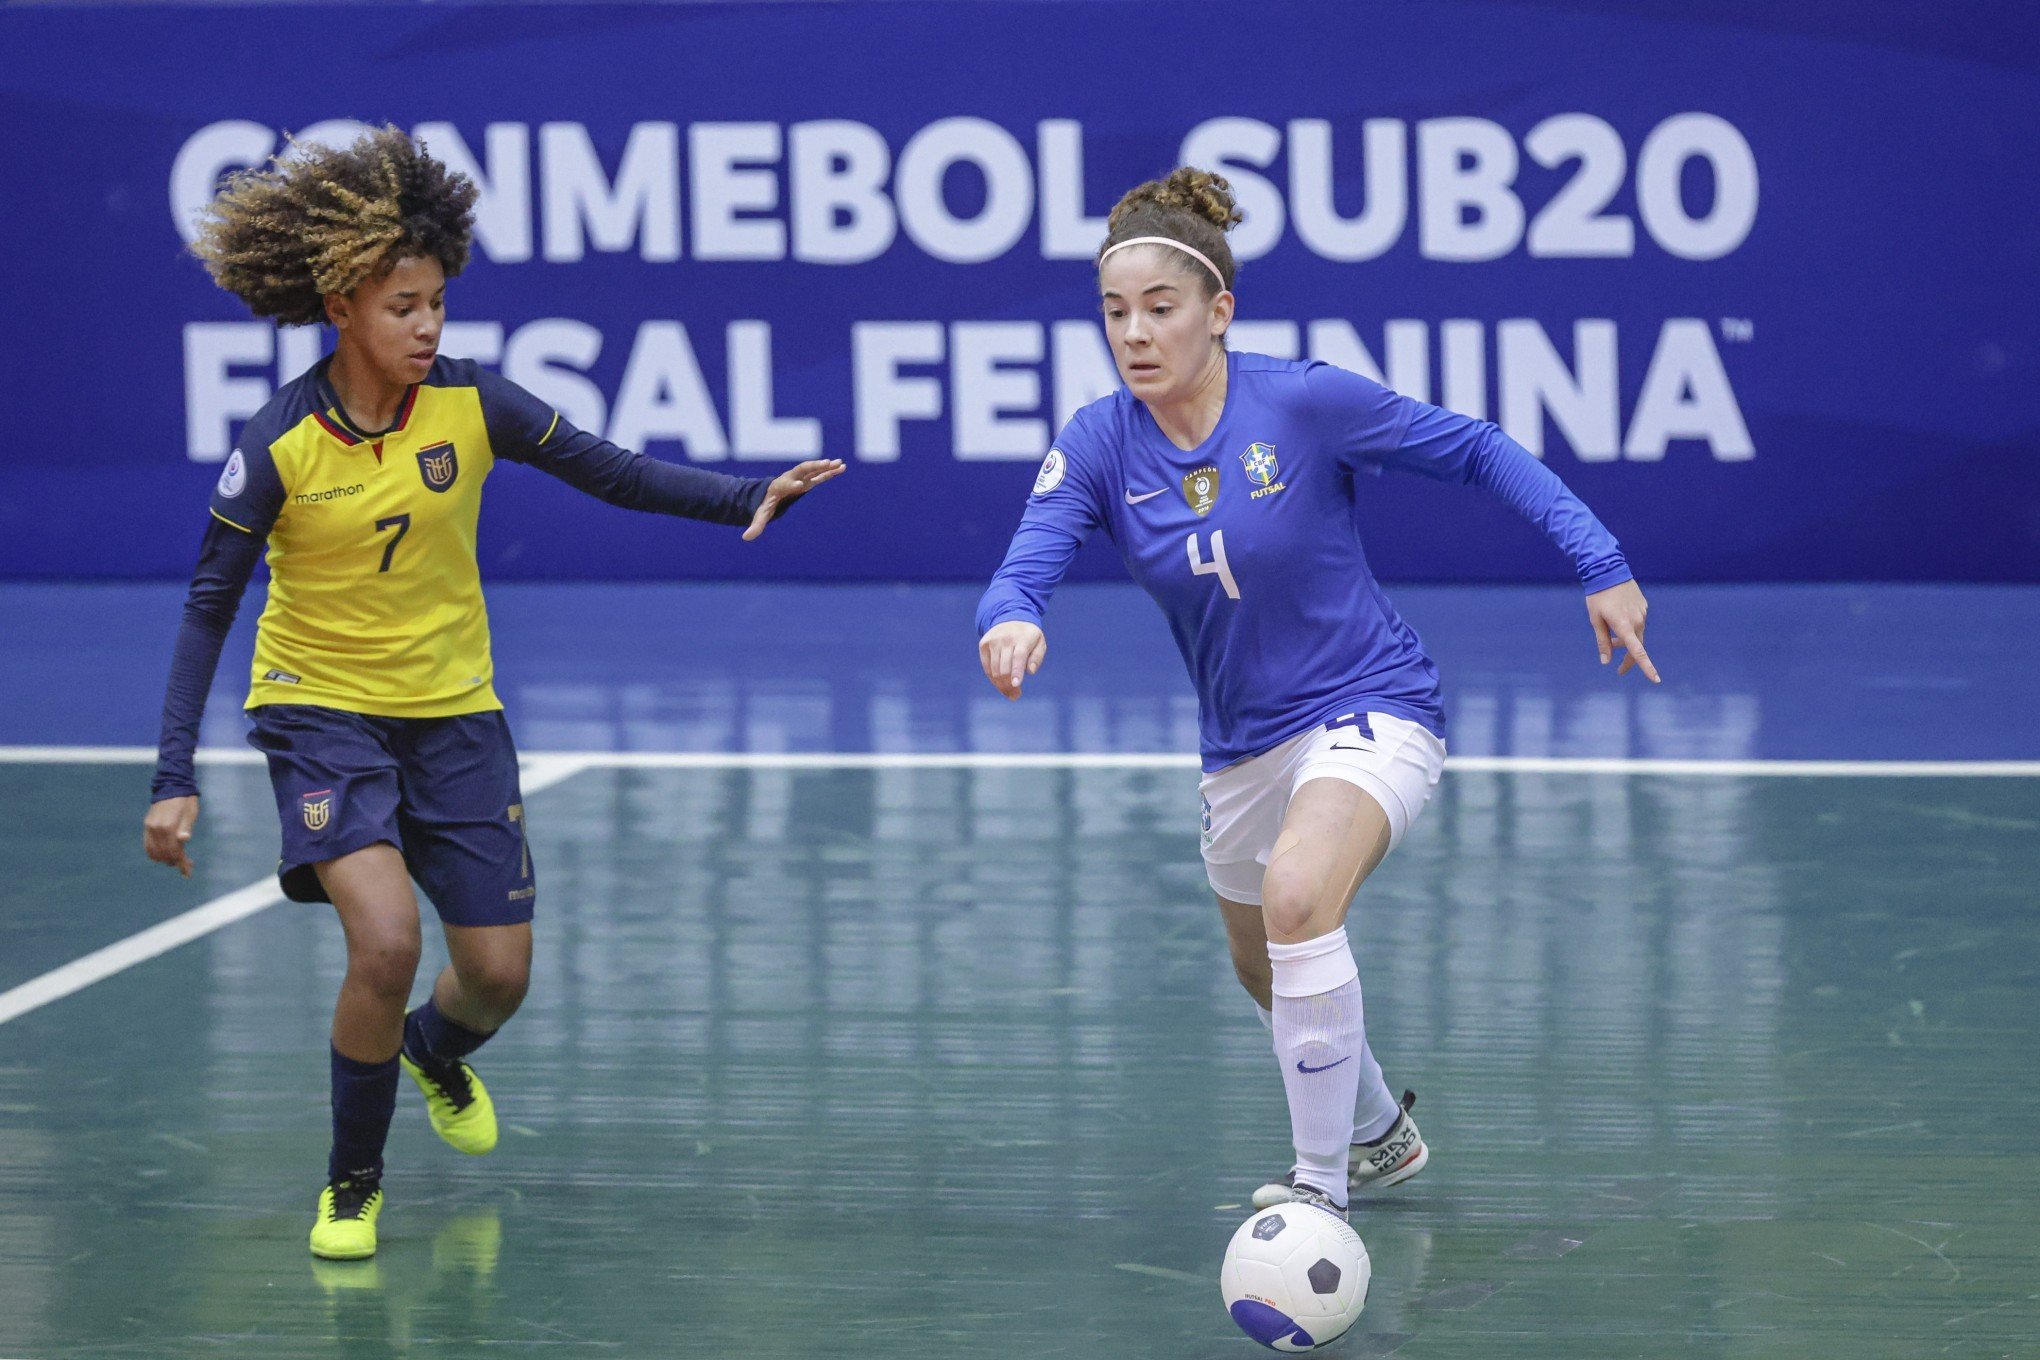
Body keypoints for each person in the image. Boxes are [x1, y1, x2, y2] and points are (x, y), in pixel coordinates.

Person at [141, 126, 843, 1259]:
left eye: (435, 305)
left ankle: (431, 1050)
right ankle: (353, 1185)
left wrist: (749, 497)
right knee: (384, 939)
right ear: (343, 306)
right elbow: (205, 606)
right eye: (401, 307)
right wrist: (175, 776)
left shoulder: (476, 406)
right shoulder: (279, 444)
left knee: (497, 978)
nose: (426, 327)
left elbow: (612, 469)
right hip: (320, 707)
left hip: (454, 712)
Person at [975, 169, 1656, 1220]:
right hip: (1239, 748)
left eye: (1161, 309)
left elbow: (1476, 448)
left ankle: (1317, 1198)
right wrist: (1012, 618)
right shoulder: (1101, 440)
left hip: (1371, 701)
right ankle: (1379, 1133)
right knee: (1266, 966)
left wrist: (1600, 560)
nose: (1135, 334)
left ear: (1219, 313)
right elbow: (1026, 561)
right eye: (1116, 312)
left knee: (1299, 897)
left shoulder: (1301, 401)